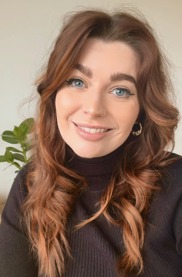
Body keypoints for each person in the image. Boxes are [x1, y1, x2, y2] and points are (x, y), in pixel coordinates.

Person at [0, 8, 181, 277]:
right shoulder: (31, 184)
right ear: (54, 94)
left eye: (120, 90)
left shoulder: (177, 184)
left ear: (142, 109)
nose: (94, 108)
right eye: (77, 81)